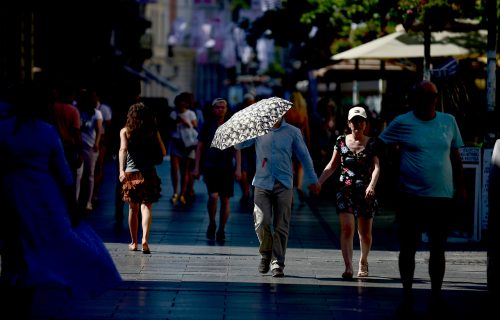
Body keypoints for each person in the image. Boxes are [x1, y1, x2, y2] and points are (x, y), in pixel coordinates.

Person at [0, 81, 121, 317]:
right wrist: (72, 207)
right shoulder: (46, 132)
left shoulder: (3, 128)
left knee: (14, 243)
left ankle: (15, 282)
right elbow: (63, 173)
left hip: (10, 191)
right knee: (47, 240)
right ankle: (37, 279)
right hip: (42, 194)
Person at [377, 80, 466, 305]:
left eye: (432, 96)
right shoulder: (402, 122)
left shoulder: (449, 121)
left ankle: (436, 292)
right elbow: (380, 145)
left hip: (441, 196)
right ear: (414, 99)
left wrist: (462, 188)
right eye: (424, 97)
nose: (429, 101)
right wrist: (392, 165)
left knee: (438, 247)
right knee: (408, 246)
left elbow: (456, 157)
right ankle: (407, 291)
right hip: (410, 196)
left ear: (437, 98)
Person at [235, 116, 321, 277]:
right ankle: (266, 252)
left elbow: (304, 156)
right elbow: (238, 145)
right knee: (261, 221)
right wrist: (244, 128)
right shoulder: (258, 129)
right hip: (262, 182)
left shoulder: (292, 132)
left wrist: (313, 179)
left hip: (284, 183)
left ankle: (277, 262)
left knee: (281, 224)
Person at [317, 105, 380, 279]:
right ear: (349, 123)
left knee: (365, 234)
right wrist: (319, 182)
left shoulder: (372, 142)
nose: (357, 124)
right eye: (354, 121)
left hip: (366, 192)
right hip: (345, 189)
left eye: (360, 121)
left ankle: (363, 261)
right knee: (347, 228)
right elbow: (332, 165)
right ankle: (348, 267)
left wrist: (371, 186)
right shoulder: (341, 141)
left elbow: (376, 167)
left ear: (365, 124)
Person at [119, 102, 166, 254]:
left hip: (132, 173)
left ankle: (134, 242)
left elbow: (123, 150)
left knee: (133, 209)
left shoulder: (125, 131)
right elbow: (163, 152)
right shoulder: (152, 131)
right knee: (146, 207)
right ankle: (145, 239)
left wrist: (121, 170)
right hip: (149, 172)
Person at [192, 98, 241, 242]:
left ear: (226, 109)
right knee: (213, 196)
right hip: (210, 166)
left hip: (226, 167)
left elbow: (237, 149)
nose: (220, 110)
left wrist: (238, 168)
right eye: (217, 107)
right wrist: (196, 167)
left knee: (225, 200)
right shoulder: (207, 125)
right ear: (213, 109)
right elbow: (200, 147)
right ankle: (212, 222)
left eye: (222, 107)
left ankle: (222, 228)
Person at [75, 88, 103, 212]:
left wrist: (97, 144)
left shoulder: (97, 113)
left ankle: (88, 201)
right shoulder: (78, 111)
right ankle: (76, 200)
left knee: (89, 175)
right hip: (79, 146)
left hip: (90, 147)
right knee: (78, 174)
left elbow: (99, 131)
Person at [168, 92, 198, 206]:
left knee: (185, 171)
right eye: (180, 101)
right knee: (174, 169)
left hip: (188, 145)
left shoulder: (191, 113)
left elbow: (195, 126)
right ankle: (175, 192)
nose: (182, 104)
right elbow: (169, 128)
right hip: (176, 143)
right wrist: (176, 121)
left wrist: (187, 123)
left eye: (184, 101)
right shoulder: (173, 114)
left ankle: (183, 192)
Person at [284, 91, 311, 202]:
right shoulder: (303, 112)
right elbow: (307, 129)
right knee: (300, 166)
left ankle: (290, 193)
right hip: (300, 140)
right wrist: (309, 144)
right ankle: (299, 186)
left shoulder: (287, 112)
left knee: (289, 167)